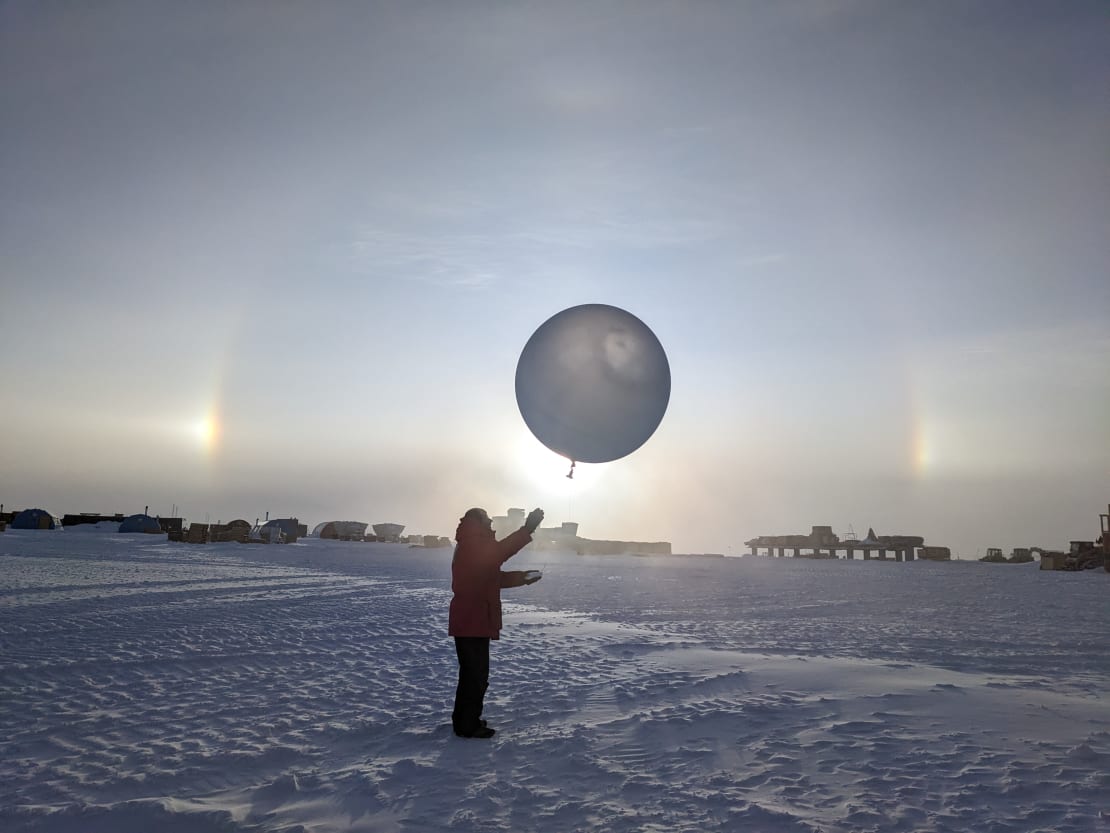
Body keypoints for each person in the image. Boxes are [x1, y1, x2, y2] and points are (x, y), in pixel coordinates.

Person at [448, 506, 544, 738]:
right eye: (487, 519)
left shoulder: (473, 544)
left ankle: (465, 719)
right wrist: (528, 528)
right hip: (472, 620)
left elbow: (493, 577)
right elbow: (500, 552)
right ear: (478, 522)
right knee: (475, 675)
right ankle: (467, 725)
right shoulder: (473, 544)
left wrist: (522, 578)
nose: (491, 522)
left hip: (473, 619)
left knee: (473, 674)